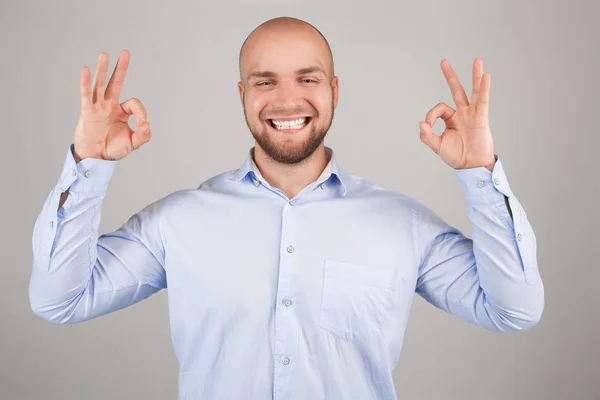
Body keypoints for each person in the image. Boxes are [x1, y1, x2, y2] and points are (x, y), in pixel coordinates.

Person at [30, 16, 544, 400]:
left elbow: (513, 310)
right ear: (242, 94)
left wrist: (480, 172)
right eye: (265, 81)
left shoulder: (402, 223)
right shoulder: (178, 220)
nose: (286, 99)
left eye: (308, 78)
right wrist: (89, 164)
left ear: (334, 91)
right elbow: (60, 300)